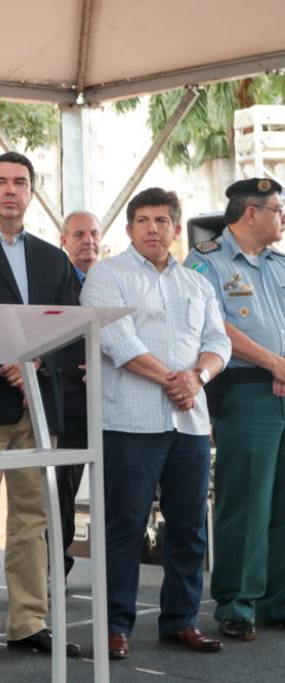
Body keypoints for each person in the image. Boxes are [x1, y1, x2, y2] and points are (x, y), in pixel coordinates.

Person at [81, 187, 230, 660]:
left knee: (189, 528)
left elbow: (219, 343)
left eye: (161, 220)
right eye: (142, 220)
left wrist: (199, 376)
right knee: (124, 525)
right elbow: (115, 340)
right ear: (128, 229)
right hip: (129, 421)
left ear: (174, 228)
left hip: (188, 424)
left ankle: (181, 621)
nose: (152, 228)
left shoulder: (197, 284)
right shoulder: (107, 275)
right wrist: (176, 379)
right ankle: (114, 626)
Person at [0, 151, 79, 656]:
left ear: (32, 192)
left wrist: (37, 364)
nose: (10, 191)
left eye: (20, 183)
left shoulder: (54, 259)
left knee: (34, 521)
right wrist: (3, 360)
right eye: (1, 182)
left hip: (38, 404)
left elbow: (74, 328)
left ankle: (29, 622)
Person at [184, 177, 285, 640]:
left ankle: (277, 601)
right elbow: (215, 324)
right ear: (251, 214)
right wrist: (273, 363)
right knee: (244, 500)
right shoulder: (206, 262)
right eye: (276, 211)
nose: (281, 219)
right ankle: (236, 604)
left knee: (282, 501)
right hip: (246, 390)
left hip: (282, 387)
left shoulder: (278, 263)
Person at [55, 210, 102, 576]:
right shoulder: (56, 280)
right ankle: (58, 566)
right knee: (62, 493)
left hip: (111, 402)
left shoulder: (111, 280)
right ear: (64, 241)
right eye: (80, 234)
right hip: (69, 401)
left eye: (94, 234)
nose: (88, 241)